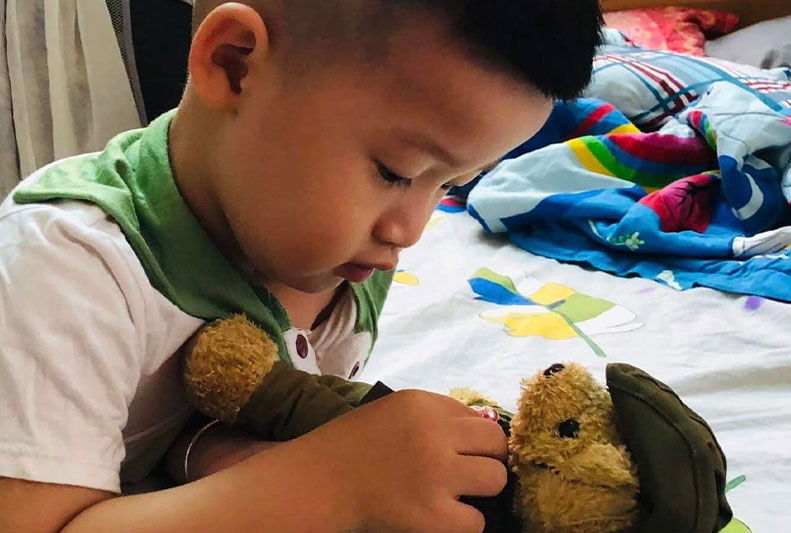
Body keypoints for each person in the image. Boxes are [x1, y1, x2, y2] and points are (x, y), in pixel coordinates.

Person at [0, 1, 602, 531]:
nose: (409, 232)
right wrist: (334, 484)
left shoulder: (341, 260)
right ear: (235, 66)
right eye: (395, 172)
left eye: (451, 186)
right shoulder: (65, 271)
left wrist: (221, 457)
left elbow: (208, 424)